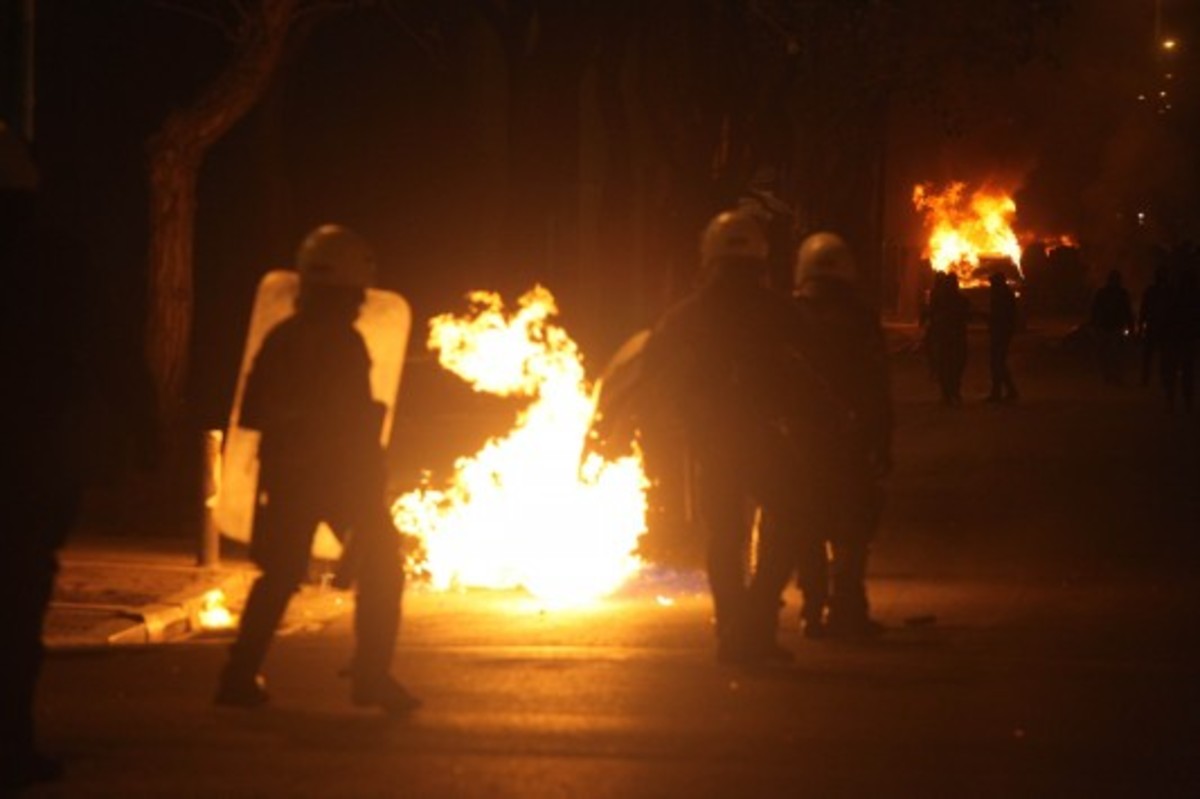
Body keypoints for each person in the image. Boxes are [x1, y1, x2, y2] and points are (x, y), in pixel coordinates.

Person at [215, 224, 419, 714]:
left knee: (280, 574)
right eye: (355, 293)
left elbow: (253, 412)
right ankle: (370, 676)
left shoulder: (282, 338)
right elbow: (353, 424)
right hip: (336, 477)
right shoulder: (342, 343)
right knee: (383, 567)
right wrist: (366, 475)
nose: (360, 302)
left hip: (289, 475)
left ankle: (238, 677)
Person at [632, 209, 821, 664]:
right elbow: (817, 364)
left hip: (711, 440)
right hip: (760, 434)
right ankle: (754, 620)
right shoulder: (777, 310)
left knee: (724, 536)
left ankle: (732, 629)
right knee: (794, 514)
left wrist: (656, 423)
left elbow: (650, 369)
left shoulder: (689, 313)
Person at [2, 122, 86, 791]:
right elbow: (94, 352)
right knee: (16, 609)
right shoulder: (53, 263)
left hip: (31, 464)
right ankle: (10, 746)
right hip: (27, 470)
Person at [769, 232, 892, 639]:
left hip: (798, 439)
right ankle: (847, 609)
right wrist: (880, 441)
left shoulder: (788, 316)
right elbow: (876, 386)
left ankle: (812, 608)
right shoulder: (860, 319)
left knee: (805, 523)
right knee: (852, 528)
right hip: (849, 438)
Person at [1158, 246, 1198, 413]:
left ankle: (1173, 400)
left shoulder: (1173, 297)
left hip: (1176, 339)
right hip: (1183, 339)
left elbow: (1165, 318)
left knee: (1172, 371)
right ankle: (1184, 401)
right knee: (1185, 371)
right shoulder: (1192, 298)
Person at [927, 271, 970, 404]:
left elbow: (933, 315)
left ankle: (949, 393)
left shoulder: (942, 299)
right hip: (953, 337)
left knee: (947, 365)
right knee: (953, 366)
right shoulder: (959, 299)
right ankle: (952, 392)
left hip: (947, 337)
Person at [1089, 269, 1134, 386]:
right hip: (1106, 328)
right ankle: (1109, 376)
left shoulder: (1119, 294)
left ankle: (1113, 376)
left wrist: (1131, 327)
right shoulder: (1106, 293)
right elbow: (1095, 310)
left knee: (1113, 354)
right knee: (1107, 354)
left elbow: (1127, 311)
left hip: (1113, 327)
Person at [986, 271, 1019, 403]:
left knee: (997, 362)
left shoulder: (1002, 296)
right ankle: (1006, 390)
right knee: (998, 362)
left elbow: (1000, 315)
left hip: (1001, 332)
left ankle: (999, 392)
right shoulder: (1003, 294)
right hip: (1001, 331)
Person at [1138, 260, 1169, 387]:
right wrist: (1140, 326)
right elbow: (1144, 309)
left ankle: (1161, 378)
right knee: (1151, 356)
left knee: (1161, 356)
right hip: (1155, 327)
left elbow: (1144, 309)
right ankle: (1148, 378)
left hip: (1163, 328)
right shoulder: (1154, 291)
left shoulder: (1167, 292)